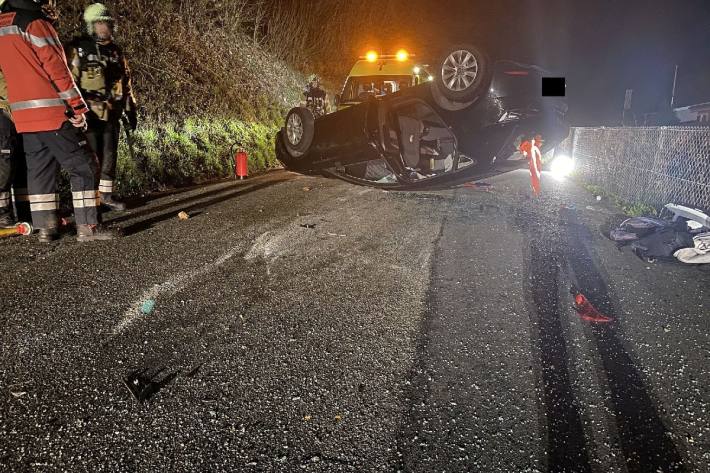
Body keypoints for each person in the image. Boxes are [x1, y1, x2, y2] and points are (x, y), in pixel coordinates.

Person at [0, 0, 114, 242]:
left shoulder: (3, 25)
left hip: (23, 114)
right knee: (84, 166)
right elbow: (57, 69)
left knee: (40, 170)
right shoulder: (35, 24)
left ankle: (46, 228)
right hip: (51, 111)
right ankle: (89, 227)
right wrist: (77, 107)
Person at [67, 3, 137, 212]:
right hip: (88, 113)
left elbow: (126, 81)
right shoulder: (78, 49)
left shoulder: (116, 51)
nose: (104, 27)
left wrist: (131, 108)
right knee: (90, 157)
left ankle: (106, 195)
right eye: (99, 23)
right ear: (90, 25)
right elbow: (69, 80)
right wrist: (73, 109)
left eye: (107, 23)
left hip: (111, 113)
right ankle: (89, 201)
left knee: (109, 156)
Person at [0, 69, 30, 227]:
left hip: (18, 114)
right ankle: (2, 213)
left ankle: (26, 211)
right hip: (4, 112)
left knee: (21, 163)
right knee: (5, 164)